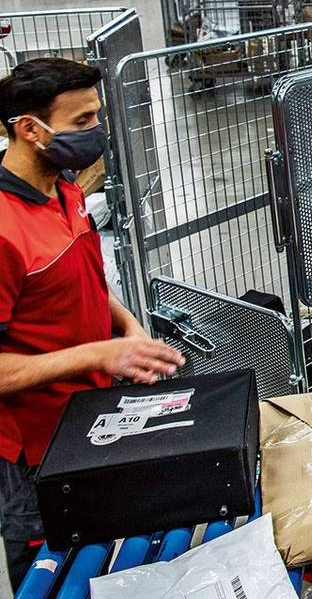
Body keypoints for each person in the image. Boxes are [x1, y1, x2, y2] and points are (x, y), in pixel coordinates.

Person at [0, 59, 185, 585]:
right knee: (50, 574)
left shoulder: (65, 191)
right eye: (82, 122)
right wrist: (102, 354)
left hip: (89, 419)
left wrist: (127, 327)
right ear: (31, 130)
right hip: (34, 456)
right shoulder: (3, 229)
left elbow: (84, 282)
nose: (96, 133)